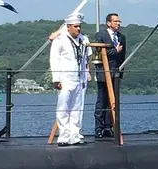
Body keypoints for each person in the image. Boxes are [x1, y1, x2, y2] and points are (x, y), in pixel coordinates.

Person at [49, 13, 90, 146]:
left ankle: (75, 135)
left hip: (80, 78)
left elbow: (86, 58)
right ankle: (64, 136)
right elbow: (54, 59)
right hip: (65, 78)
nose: (78, 29)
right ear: (68, 27)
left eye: (79, 26)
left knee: (77, 108)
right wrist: (56, 78)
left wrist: (86, 75)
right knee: (63, 107)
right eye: (76, 26)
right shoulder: (60, 40)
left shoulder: (83, 39)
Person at [94, 12, 126, 139]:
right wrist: (114, 51)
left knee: (113, 101)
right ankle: (99, 128)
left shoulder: (121, 37)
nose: (118, 23)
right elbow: (100, 52)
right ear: (108, 23)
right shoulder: (101, 35)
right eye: (115, 21)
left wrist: (121, 71)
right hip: (104, 72)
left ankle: (109, 126)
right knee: (102, 100)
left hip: (115, 72)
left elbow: (123, 55)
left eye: (119, 21)